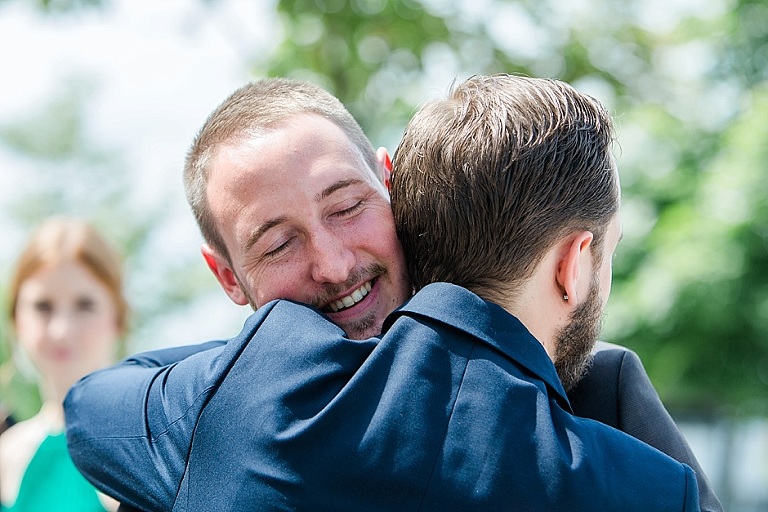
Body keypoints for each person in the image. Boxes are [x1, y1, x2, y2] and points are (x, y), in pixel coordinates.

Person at [66, 75, 705, 511]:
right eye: (277, 243)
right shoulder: (231, 399)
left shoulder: (605, 393)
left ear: (389, 184)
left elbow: (94, 407)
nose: (335, 264)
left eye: (346, 207)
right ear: (228, 278)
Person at [0, 217, 125, 512]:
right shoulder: (6, 455)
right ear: (16, 318)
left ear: (117, 316)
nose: (61, 330)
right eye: (43, 306)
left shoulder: (155, 445)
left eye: (84, 305)